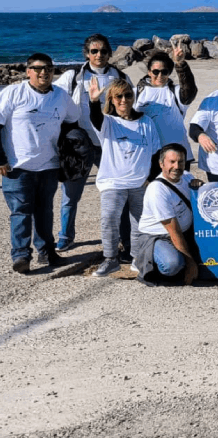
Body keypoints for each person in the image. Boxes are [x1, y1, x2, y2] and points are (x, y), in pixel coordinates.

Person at [0, 53, 80, 273]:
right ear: (28, 71)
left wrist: (68, 153)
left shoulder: (62, 97)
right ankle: (21, 257)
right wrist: (1, 159)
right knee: (21, 212)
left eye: (48, 68)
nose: (44, 72)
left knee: (45, 211)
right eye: (38, 68)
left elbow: (72, 121)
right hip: (17, 167)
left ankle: (47, 253)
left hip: (49, 165)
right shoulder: (14, 93)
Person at [54, 34, 130, 252]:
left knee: (118, 194)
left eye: (103, 51)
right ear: (86, 53)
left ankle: (124, 236)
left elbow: (132, 104)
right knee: (70, 194)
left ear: (110, 53)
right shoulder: (73, 76)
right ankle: (65, 236)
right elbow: (53, 97)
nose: (99, 55)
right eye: (94, 51)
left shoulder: (120, 76)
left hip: (109, 144)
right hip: (80, 144)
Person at [87, 77, 161, 277]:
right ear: (111, 100)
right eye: (118, 96)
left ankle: (137, 258)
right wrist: (94, 102)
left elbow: (156, 154)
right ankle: (111, 259)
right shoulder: (108, 122)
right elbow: (95, 118)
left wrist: (150, 179)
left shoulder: (146, 122)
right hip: (113, 182)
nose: (123, 100)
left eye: (127, 95)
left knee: (140, 222)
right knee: (109, 218)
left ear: (133, 97)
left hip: (139, 182)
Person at [133, 143, 203, 285]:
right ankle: (144, 260)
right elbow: (173, 230)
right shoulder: (157, 190)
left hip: (184, 232)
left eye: (181, 162)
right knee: (172, 265)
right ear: (161, 164)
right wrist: (190, 264)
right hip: (158, 236)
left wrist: (200, 185)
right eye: (172, 162)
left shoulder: (188, 177)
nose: (177, 167)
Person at [134, 45, 197, 163]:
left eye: (164, 72)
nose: (160, 76)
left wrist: (180, 64)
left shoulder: (176, 92)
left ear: (169, 73)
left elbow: (190, 91)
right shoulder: (136, 93)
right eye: (155, 72)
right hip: (149, 156)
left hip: (177, 156)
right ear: (149, 72)